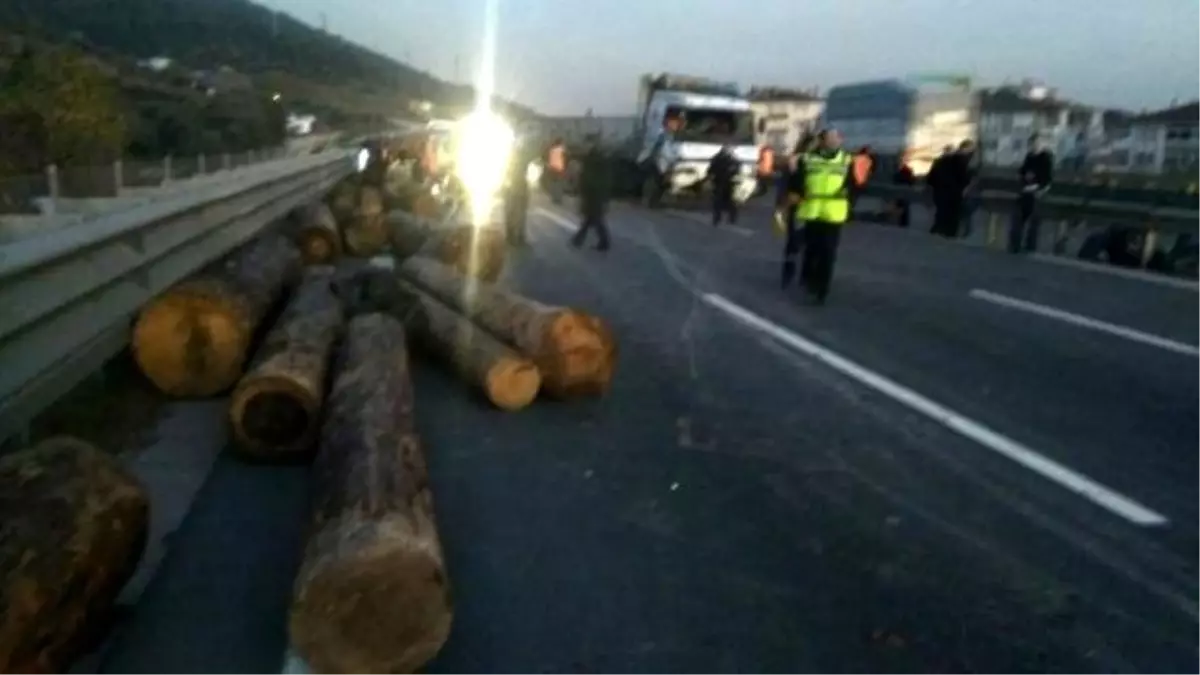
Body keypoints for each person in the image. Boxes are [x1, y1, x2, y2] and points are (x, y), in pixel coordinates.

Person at [788, 129, 859, 304]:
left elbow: (854, 185)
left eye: (837, 138)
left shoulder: (847, 160)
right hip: (812, 211)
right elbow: (797, 182)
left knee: (828, 252)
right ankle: (810, 279)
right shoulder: (808, 159)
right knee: (812, 250)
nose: (834, 141)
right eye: (830, 138)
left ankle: (822, 289)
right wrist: (795, 194)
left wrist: (850, 202)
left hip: (834, 213)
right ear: (821, 141)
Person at [780, 132, 816, 288]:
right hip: (799, 205)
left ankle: (802, 275)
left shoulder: (815, 161)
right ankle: (791, 273)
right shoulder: (796, 161)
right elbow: (787, 183)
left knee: (806, 243)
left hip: (811, 206)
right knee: (796, 242)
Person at [1010, 134, 1054, 254]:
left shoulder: (1046, 158)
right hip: (1025, 191)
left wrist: (1037, 188)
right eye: (1033, 144)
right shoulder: (1029, 156)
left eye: (1037, 144)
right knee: (1017, 218)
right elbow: (1022, 171)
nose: (1035, 146)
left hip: (1037, 192)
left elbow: (1047, 179)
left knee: (1034, 220)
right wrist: (1023, 179)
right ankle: (1015, 244)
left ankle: (1030, 246)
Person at [571, 134, 611, 251]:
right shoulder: (596, 157)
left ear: (592, 144)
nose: (585, 146)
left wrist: (583, 189)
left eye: (587, 143)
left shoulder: (593, 158)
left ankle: (602, 242)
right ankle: (579, 239)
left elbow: (589, 177)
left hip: (593, 193)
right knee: (591, 218)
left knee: (594, 218)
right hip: (594, 193)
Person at [927, 144, 963, 238]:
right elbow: (963, 179)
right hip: (954, 194)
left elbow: (930, 179)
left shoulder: (938, 162)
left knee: (941, 212)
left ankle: (939, 229)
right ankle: (950, 233)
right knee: (953, 215)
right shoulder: (958, 163)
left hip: (940, 193)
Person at [502, 142, 532, 247]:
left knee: (511, 213)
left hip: (513, 189)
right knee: (519, 215)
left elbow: (506, 175)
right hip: (518, 189)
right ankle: (518, 237)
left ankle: (511, 236)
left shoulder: (509, 161)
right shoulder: (521, 161)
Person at [706, 142, 740, 226]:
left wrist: (710, 177)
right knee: (727, 201)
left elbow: (710, 169)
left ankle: (718, 218)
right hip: (726, 181)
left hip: (721, 181)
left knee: (720, 201)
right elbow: (737, 168)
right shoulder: (731, 158)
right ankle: (729, 218)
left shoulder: (718, 157)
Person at [891, 151, 916, 227]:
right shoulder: (909, 171)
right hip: (906, 191)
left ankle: (900, 221)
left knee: (900, 206)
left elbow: (895, 180)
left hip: (899, 191)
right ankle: (904, 222)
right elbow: (912, 181)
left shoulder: (899, 172)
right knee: (905, 207)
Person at [849, 145, 874, 218]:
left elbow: (850, 168)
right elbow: (869, 172)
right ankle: (851, 213)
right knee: (854, 199)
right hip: (862, 182)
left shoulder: (855, 158)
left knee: (851, 199)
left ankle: (849, 213)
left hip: (853, 181)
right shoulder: (869, 160)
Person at [545, 137, 567, 204]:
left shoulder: (552, 150)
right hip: (559, 169)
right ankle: (558, 198)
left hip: (553, 168)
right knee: (559, 184)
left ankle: (554, 198)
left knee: (554, 184)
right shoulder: (562, 150)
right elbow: (565, 158)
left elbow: (549, 159)